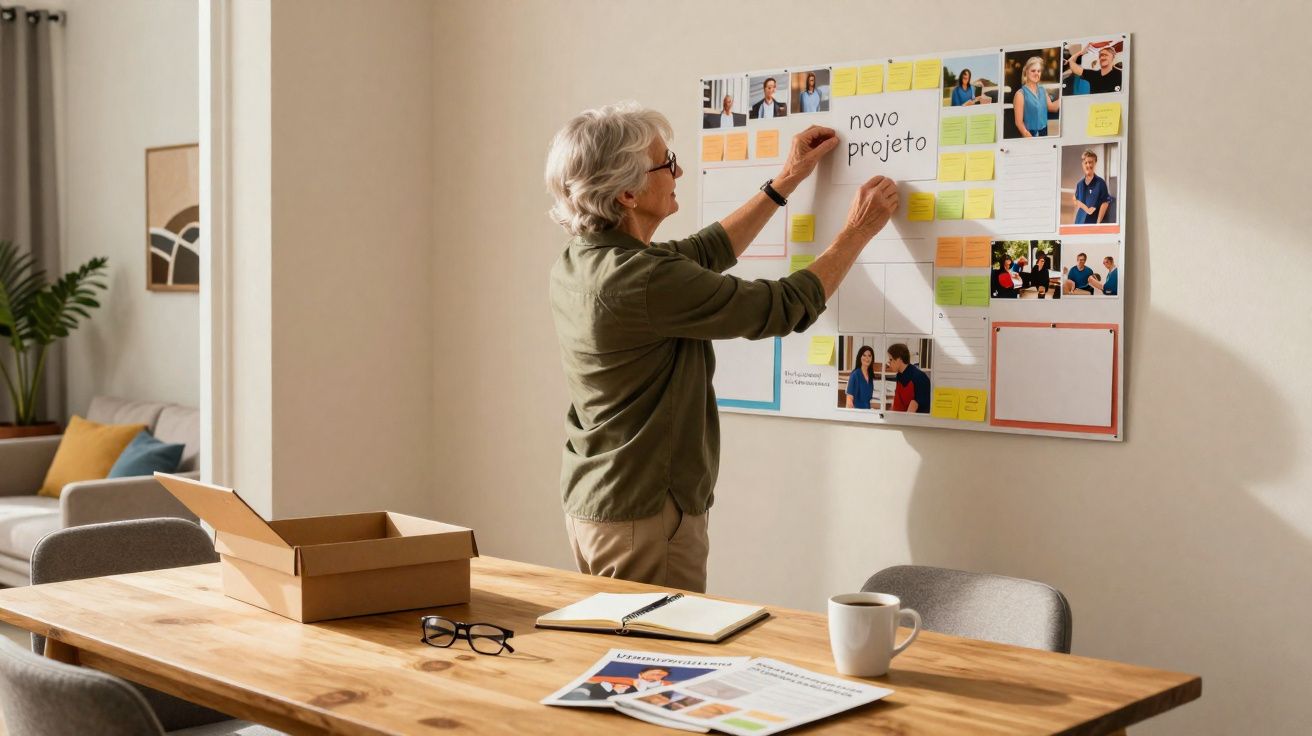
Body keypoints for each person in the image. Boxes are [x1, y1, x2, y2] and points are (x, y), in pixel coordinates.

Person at [545, 103, 900, 592]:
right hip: (645, 514)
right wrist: (857, 230)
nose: (679, 171)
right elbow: (782, 306)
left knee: (624, 657)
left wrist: (786, 180)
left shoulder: (584, 261)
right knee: (662, 661)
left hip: (600, 501)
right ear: (628, 193)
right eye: (666, 163)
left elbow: (706, 251)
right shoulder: (646, 280)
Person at [1012, 56, 1059, 137]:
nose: (1036, 73)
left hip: (1044, 133)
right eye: (1033, 71)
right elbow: (1019, 123)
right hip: (1030, 134)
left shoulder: (1042, 90)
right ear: (1026, 72)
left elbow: (1052, 107)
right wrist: (1031, 139)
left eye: (1039, 71)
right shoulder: (1020, 94)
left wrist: (1064, 96)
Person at [886, 343, 930, 414]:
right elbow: (898, 402)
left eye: (891, 359)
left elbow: (914, 405)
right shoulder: (900, 375)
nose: (888, 362)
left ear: (899, 359)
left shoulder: (919, 377)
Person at [1072, 149, 1111, 225]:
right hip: (1079, 222)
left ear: (1095, 163)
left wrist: (1098, 223)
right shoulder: (1079, 184)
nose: (1088, 165)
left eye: (1090, 162)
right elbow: (1076, 201)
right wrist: (1087, 209)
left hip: (1093, 223)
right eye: (1085, 163)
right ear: (1082, 165)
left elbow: (1105, 203)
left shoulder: (1101, 183)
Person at [845, 345, 877, 410]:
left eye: (869, 356)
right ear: (860, 357)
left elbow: (868, 400)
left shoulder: (870, 376)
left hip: (867, 413)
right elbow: (849, 401)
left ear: (872, 358)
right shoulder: (855, 375)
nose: (867, 358)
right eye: (864, 355)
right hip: (856, 414)